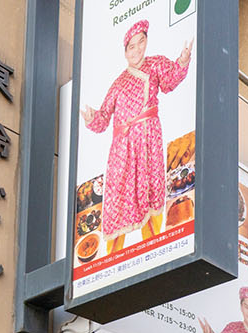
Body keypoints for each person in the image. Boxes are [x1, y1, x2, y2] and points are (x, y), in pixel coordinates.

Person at [81, 20, 193, 255]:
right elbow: (103, 119)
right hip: (122, 148)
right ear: (125, 52)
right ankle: (113, 257)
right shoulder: (118, 83)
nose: (137, 50)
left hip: (148, 139)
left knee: (150, 188)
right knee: (119, 197)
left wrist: (183, 60)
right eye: (131, 46)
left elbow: (171, 81)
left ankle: (153, 247)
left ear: (146, 42)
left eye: (141, 42)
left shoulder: (155, 64)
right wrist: (91, 117)